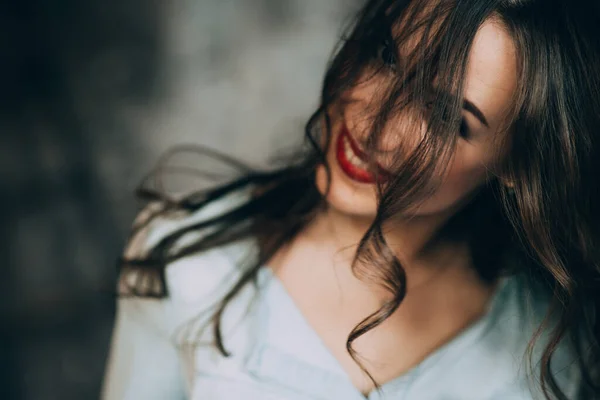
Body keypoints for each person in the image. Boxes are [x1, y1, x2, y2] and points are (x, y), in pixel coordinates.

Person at [101, 0, 600, 399]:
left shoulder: (552, 339)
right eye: (385, 55)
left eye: (444, 116)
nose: (374, 122)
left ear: (516, 164)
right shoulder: (187, 261)